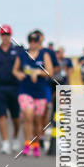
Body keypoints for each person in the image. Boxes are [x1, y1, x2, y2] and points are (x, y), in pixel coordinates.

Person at [13, 29, 54, 157]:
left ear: (39, 42)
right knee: (28, 115)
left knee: (37, 120)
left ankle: (36, 144)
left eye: (35, 41)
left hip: (40, 92)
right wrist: (19, 74)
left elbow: (50, 72)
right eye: (30, 41)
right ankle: (27, 143)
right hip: (25, 90)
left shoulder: (44, 54)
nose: (33, 43)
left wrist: (37, 72)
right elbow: (15, 70)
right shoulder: (23, 55)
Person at [0, 26, 22, 154]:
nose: (5, 37)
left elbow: (23, 66)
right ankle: (5, 142)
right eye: (3, 34)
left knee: (16, 117)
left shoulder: (17, 51)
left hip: (14, 87)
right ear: (0, 36)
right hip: (0, 87)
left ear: (10, 35)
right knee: (1, 115)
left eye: (7, 34)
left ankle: (15, 137)